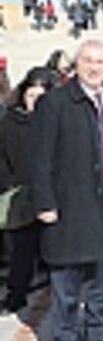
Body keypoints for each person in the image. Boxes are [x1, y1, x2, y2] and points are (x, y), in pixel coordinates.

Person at [31, 41, 103, 341]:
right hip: (72, 200)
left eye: (101, 61)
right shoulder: (55, 102)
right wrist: (44, 202)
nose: (94, 67)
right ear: (76, 65)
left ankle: (97, 332)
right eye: (87, 61)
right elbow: (40, 158)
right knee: (68, 277)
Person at [0, 68, 58, 313]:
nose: (34, 100)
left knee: (54, 245)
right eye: (31, 95)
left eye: (40, 96)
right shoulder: (11, 122)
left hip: (52, 192)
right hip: (21, 191)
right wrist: (8, 183)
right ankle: (16, 293)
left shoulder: (56, 122)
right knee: (22, 248)